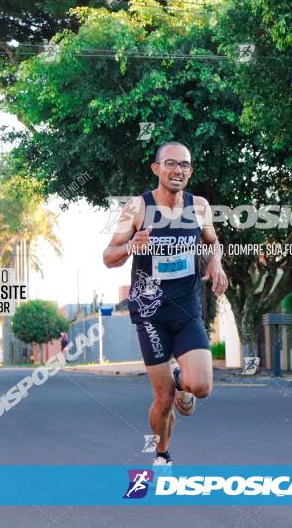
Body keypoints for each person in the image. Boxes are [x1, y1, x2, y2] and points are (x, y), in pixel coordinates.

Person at [103, 141, 228, 466]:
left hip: (187, 310)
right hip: (150, 314)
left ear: (190, 171)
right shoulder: (138, 207)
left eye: (184, 165)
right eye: (170, 164)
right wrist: (131, 245)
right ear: (156, 169)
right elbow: (108, 257)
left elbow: (212, 243)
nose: (178, 170)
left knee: (199, 387)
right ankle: (162, 455)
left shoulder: (199, 206)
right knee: (163, 399)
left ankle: (180, 378)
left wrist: (216, 263)